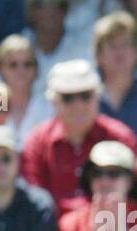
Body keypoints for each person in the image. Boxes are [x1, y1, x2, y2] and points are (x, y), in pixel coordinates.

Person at [21, 59, 137, 215]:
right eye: (68, 98)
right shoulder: (38, 142)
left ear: (97, 97)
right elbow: (33, 200)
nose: (78, 105)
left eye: (85, 95)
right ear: (54, 102)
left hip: (113, 228)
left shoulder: (120, 137)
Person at [0, 35, 52, 150]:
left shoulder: (49, 105)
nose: (21, 71)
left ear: (36, 69)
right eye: (13, 65)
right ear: (0, 69)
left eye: (27, 64)